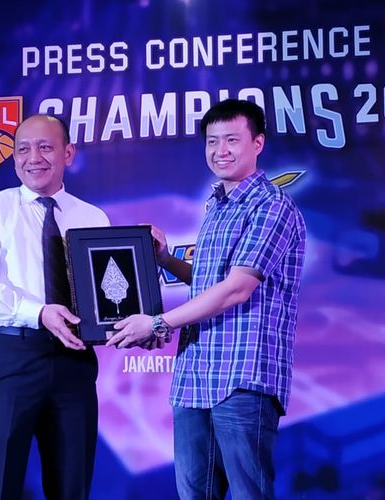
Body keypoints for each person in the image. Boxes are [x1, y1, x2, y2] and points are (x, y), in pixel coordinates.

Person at [107, 99, 307, 499]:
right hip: (196, 374)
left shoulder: (271, 207)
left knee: (249, 493)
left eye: (232, 139)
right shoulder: (217, 207)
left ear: (258, 142)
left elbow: (237, 288)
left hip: (242, 377)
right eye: (212, 141)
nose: (221, 150)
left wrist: (159, 323)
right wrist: (164, 259)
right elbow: (207, 282)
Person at [0, 114, 109, 500]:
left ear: (68, 153)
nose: (33, 157)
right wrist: (38, 312)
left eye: (45, 147)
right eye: (22, 148)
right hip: (11, 356)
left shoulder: (92, 217)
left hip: (74, 359)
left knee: (71, 485)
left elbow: (107, 292)